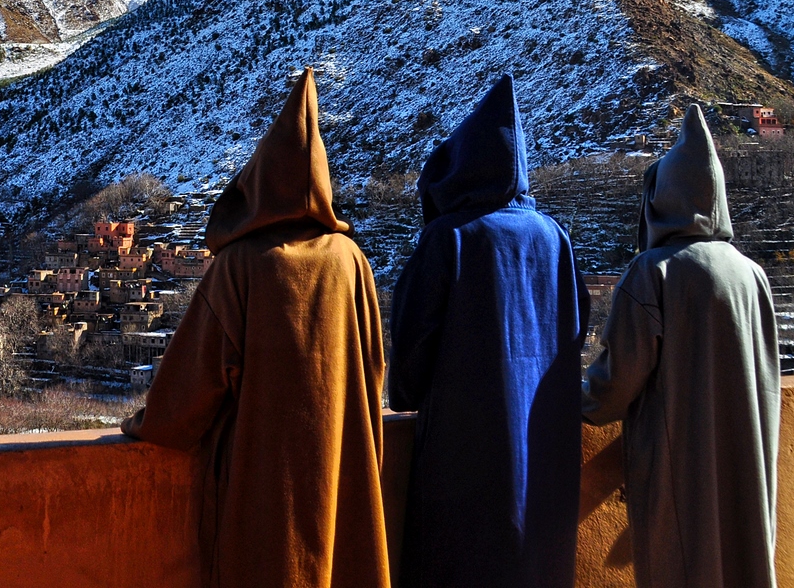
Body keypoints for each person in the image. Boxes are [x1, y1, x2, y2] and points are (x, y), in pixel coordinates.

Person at [121, 68, 390, 588]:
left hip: (267, 496)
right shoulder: (351, 260)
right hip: (344, 478)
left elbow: (186, 396)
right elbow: (373, 368)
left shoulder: (240, 266)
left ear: (256, 181)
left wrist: (143, 422)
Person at [389, 74, 588, 588]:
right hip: (546, 466)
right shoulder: (555, 239)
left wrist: (407, 393)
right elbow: (576, 334)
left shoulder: (449, 238)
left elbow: (410, 356)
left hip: (463, 465)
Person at [582, 103, 780, 588]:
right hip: (748, 468)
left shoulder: (652, 273)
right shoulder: (751, 275)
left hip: (679, 479)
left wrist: (570, 394)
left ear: (659, 200)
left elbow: (614, 390)